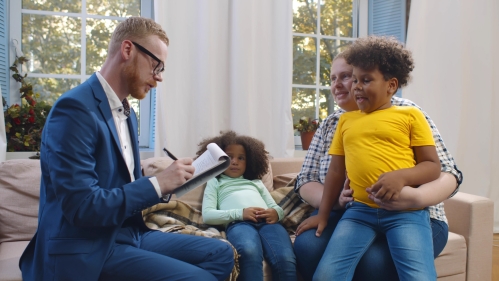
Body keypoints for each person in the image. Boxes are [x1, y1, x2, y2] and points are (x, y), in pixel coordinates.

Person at [19, 17, 234, 281]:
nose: (159, 78)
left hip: (125, 233)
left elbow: (117, 185)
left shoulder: (127, 113)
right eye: (157, 65)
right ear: (128, 50)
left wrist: (170, 183)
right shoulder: (75, 110)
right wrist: (157, 184)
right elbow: (82, 207)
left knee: (221, 254)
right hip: (87, 246)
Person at [293, 38, 463, 280]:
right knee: (316, 257)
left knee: (388, 267)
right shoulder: (339, 122)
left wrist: (410, 190)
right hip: (358, 212)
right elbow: (330, 173)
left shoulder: (409, 113)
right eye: (334, 78)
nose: (347, 85)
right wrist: (327, 209)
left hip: (409, 212)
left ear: (390, 85)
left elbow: (441, 169)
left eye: (351, 77)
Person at [199, 131, 297, 281]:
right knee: (248, 251)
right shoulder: (215, 182)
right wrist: (240, 213)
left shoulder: (256, 183)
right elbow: (207, 215)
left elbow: (275, 207)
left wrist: (276, 213)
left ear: (249, 161)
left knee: (284, 257)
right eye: (229, 157)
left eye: (241, 158)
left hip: (269, 224)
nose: (235, 162)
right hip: (239, 224)